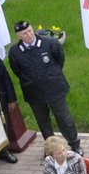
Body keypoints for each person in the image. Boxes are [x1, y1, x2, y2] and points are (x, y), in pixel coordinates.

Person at [6, 19, 78, 148]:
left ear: (32, 29)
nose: (28, 35)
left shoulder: (49, 43)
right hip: (34, 92)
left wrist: (52, 75)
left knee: (64, 119)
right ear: (18, 36)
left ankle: (74, 144)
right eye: (24, 33)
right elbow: (17, 70)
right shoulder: (15, 52)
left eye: (29, 31)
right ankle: (51, 148)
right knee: (43, 122)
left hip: (55, 88)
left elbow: (59, 60)